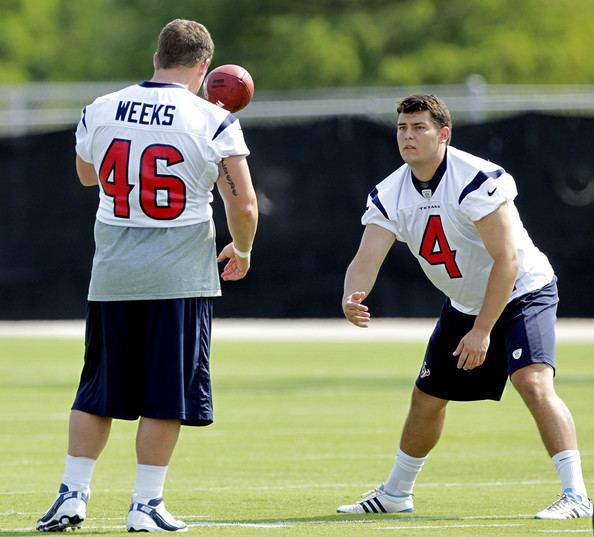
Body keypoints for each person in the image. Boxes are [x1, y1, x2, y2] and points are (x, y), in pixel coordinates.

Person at [36, 19, 258, 533]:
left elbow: (87, 173)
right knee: (167, 394)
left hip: (113, 270)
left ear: (156, 55)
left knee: (97, 391)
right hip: (179, 272)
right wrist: (242, 249)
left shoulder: (101, 107)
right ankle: (145, 505)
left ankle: (72, 496)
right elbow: (242, 203)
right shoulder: (211, 118)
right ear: (204, 65)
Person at [337, 94, 591, 520]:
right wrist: (352, 296)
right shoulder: (390, 191)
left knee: (532, 383)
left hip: (521, 290)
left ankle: (577, 494)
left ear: (444, 134)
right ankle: (397, 493)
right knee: (428, 397)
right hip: (466, 302)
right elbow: (367, 256)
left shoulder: (474, 177)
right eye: (402, 127)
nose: (408, 136)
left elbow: (507, 260)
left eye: (419, 127)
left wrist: (482, 329)